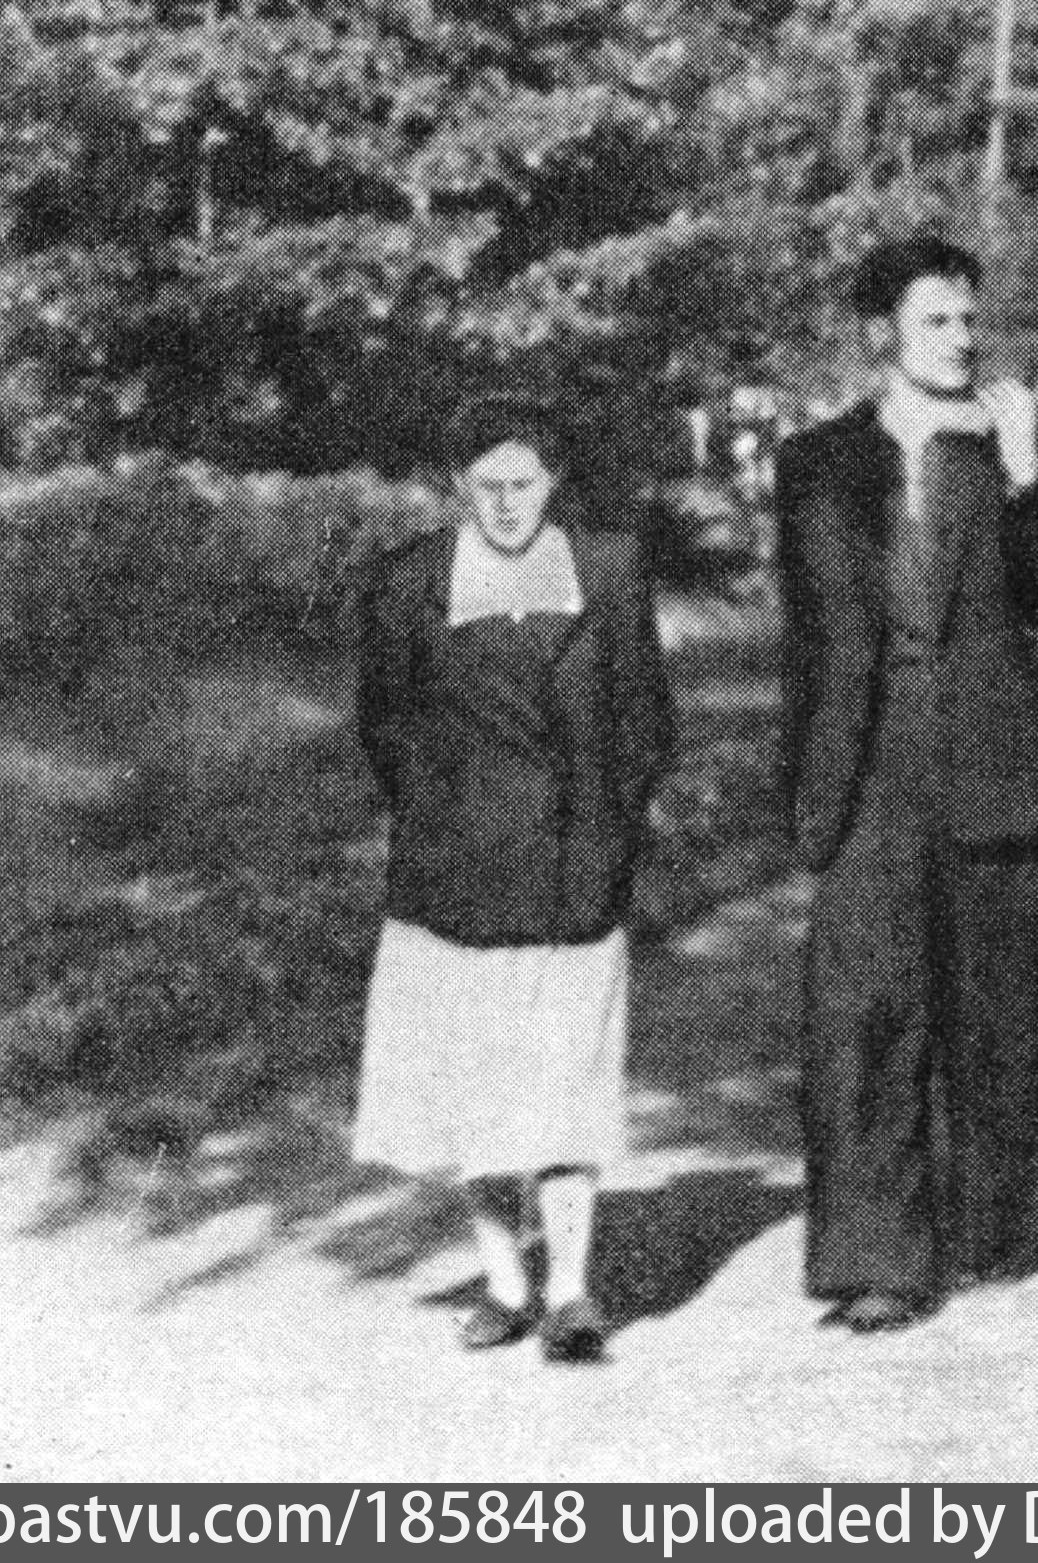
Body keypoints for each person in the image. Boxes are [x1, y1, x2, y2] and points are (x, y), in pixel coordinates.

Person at [775, 234, 1038, 1331]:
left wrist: (1021, 476)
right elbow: (805, 641)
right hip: (868, 769)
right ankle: (876, 1261)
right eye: (935, 322)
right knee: (861, 1014)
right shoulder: (815, 463)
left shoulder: (1017, 439)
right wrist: (805, 787)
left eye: (968, 320)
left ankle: (984, 1223)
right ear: (881, 336)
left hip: (992, 757)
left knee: (997, 1007)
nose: (961, 340)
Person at [351, 396, 677, 1365]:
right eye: (485, 486)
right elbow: (386, 727)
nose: (504, 505)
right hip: (458, 882)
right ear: (457, 486)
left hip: (576, 872)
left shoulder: (606, 570)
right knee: (478, 1090)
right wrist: (445, 815)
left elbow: (647, 719)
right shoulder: (410, 583)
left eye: (524, 485)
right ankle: (504, 1284)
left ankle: (572, 1292)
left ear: (555, 482)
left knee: (567, 1082)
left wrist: (610, 827)